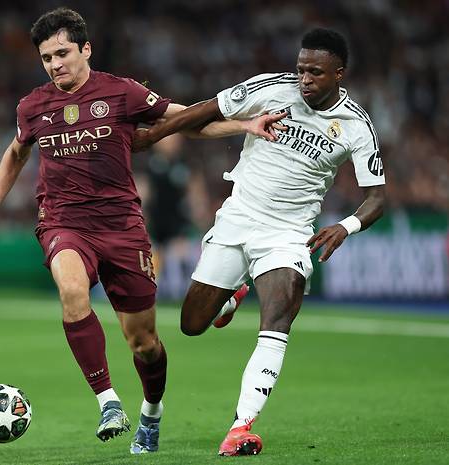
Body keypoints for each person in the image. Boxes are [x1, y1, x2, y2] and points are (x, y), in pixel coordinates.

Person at [0, 7, 283, 454]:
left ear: (86, 49)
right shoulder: (32, 106)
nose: (54, 64)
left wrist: (243, 124)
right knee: (72, 290)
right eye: (46, 58)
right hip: (63, 222)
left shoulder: (122, 92)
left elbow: (185, 118)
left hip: (122, 228)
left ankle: (152, 411)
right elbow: (16, 153)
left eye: (62, 53)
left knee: (144, 343)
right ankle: (108, 401)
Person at [133, 28, 386, 456]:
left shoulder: (356, 125)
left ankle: (241, 426)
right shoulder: (270, 88)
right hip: (238, 219)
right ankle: (232, 296)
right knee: (192, 324)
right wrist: (154, 134)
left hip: (288, 234)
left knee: (277, 322)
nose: (305, 79)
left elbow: (376, 197)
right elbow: (205, 109)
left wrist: (346, 226)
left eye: (316, 72)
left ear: (338, 73)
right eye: (301, 69)